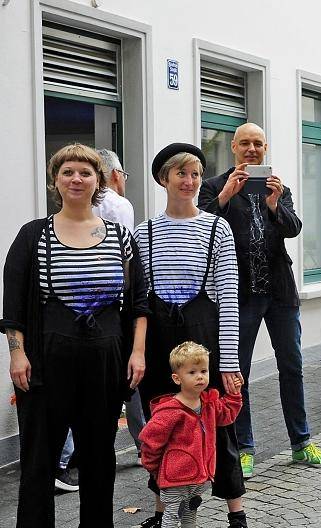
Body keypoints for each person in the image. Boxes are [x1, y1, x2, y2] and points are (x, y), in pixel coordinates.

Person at [2, 144, 148, 527]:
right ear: (56, 180)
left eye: (85, 172)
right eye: (67, 171)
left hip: (106, 360)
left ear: (99, 180)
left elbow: (139, 301)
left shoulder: (120, 237)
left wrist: (138, 352)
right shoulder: (33, 236)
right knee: (40, 458)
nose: (76, 178)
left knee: (99, 457)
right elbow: (13, 302)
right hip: (47, 361)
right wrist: (17, 353)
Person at [199, 123, 321, 479]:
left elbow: (294, 228)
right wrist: (226, 195)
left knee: (292, 365)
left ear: (265, 148)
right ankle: (244, 448)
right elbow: (203, 223)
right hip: (238, 294)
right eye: (245, 143)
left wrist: (275, 205)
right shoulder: (215, 187)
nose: (251, 149)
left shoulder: (278, 187)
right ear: (233, 147)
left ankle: (301, 442)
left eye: (258, 144)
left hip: (279, 291)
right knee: (236, 372)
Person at [136, 143, 248, 528]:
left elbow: (229, 297)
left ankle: (236, 513)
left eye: (196, 174)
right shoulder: (142, 232)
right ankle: (162, 511)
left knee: (220, 426)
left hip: (204, 340)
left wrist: (230, 363)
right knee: (163, 426)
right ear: (164, 179)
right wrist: (136, 354)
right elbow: (137, 303)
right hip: (159, 343)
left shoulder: (217, 228)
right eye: (181, 173)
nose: (189, 181)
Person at [140, 342, 244, 528]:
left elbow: (226, 415)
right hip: (175, 479)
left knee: (190, 512)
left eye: (204, 371)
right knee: (172, 516)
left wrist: (235, 395)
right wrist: (154, 468)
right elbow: (150, 441)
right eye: (192, 373)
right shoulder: (169, 410)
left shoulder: (209, 403)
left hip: (199, 477)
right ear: (177, 378)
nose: (200, 377)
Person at [96, 148, 148, 461]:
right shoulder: (119, 204)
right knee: (133, 376)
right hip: (118, 302)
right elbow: (126, 256)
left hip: (92, 304)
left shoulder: (86, 205)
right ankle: (145, 444)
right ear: (116, 175)